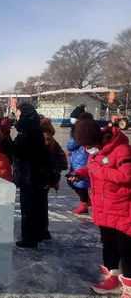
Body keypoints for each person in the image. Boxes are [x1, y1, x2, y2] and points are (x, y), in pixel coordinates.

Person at [68, 119, 131, 296]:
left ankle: (130, 285)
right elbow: (91, 167)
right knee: (108, 246)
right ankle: (113, 278)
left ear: (96, 138)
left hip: (122, 208)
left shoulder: (121, 150)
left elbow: (127, 176)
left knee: (125, 249)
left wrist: (98, 171)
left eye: (88, 145)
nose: (87, 149)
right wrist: (79, 174)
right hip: (103, 207)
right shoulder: (94, 151)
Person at [0, 102, 51, 248]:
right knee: (37, 206)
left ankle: (30, 238)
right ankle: (40, 233)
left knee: (29, 208)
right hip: (33, 173)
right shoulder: (32, 130)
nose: (16, 116)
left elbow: (23, 152)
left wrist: (5, 145)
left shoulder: (30, 132)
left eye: (18, 113)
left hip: (30, 174)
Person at [39, 117, 68, 240]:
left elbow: (47, 158)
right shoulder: (51, 137)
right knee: (42, 203)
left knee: (40, 204)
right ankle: (44, 230)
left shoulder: (44, 137)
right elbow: (62, 158)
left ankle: (43, 230)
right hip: (50, 174)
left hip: (44, 175)